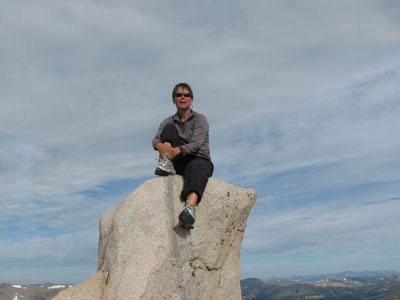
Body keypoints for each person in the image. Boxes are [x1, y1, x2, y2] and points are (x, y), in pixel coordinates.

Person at [152, 83, 213, 229]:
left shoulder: (200, 119)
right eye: (178, 95)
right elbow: (155, 140)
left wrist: (177, 150)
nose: (183, 97)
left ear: (192, 100)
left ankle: (189, 209)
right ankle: (166, 162)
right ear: (173, 100)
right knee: (169, 129)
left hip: (199, 159)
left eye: (186, 95)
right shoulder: (168, 121)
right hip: (177, 160)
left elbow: (196, 144)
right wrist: (162, 148)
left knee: (195, 166)